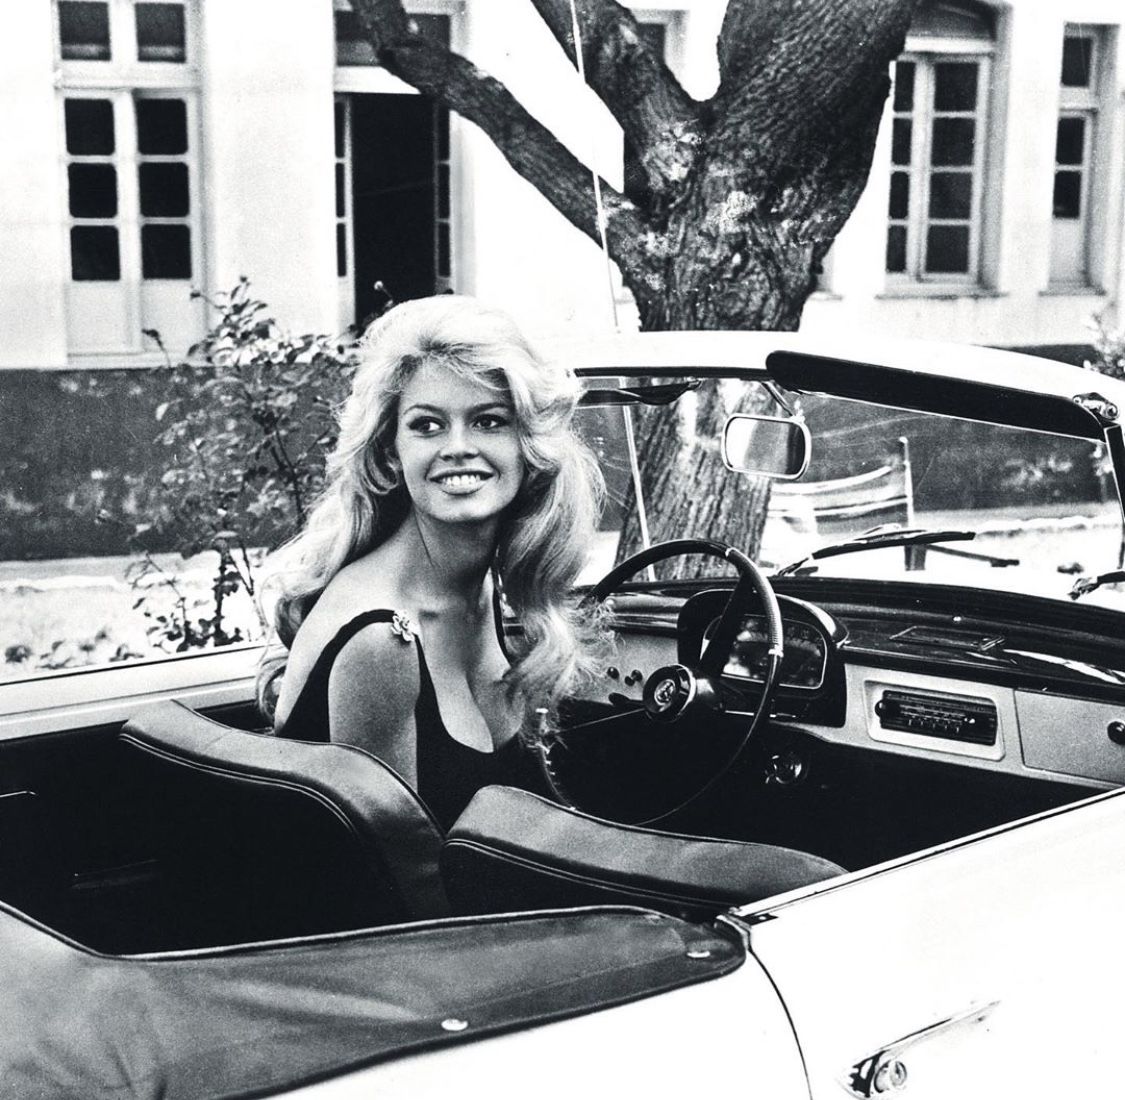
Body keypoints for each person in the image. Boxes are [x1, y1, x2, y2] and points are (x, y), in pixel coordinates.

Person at [261, 295, 604, 829]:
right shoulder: (379, 639)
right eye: (427, 425)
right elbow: (403, 867)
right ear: (390, 454)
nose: (458, 447)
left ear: (529, 446)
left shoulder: (480, 590)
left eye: (488, 421)